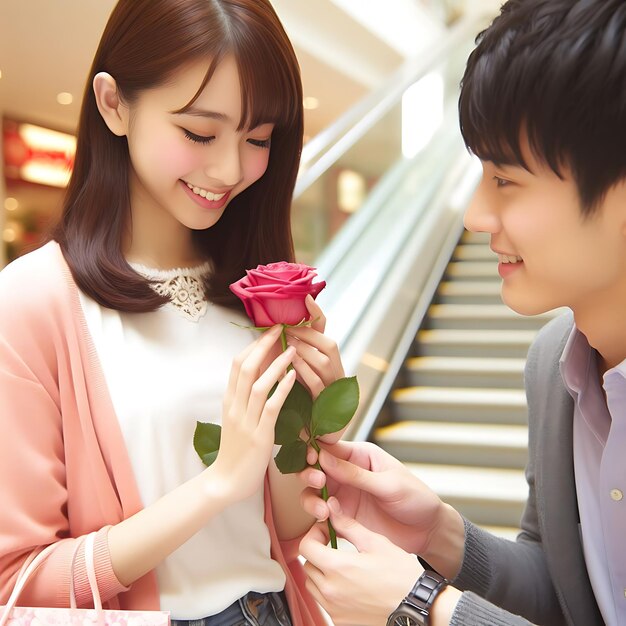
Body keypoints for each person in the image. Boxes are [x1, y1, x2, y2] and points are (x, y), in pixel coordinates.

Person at [0, 1, 346, 625]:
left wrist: (309, 428)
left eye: (258, 138)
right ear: (114, 105)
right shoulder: (32, 303)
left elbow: (288, 534)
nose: (231, 169)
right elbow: (18, 582)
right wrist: (214, 488)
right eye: (199, 133)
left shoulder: (256, 294)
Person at [298, 0, 626, 624]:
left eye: (505, 180)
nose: (474, 215)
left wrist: (427, 609)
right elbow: (567, 592)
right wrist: (441, 534)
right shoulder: (554, 366)